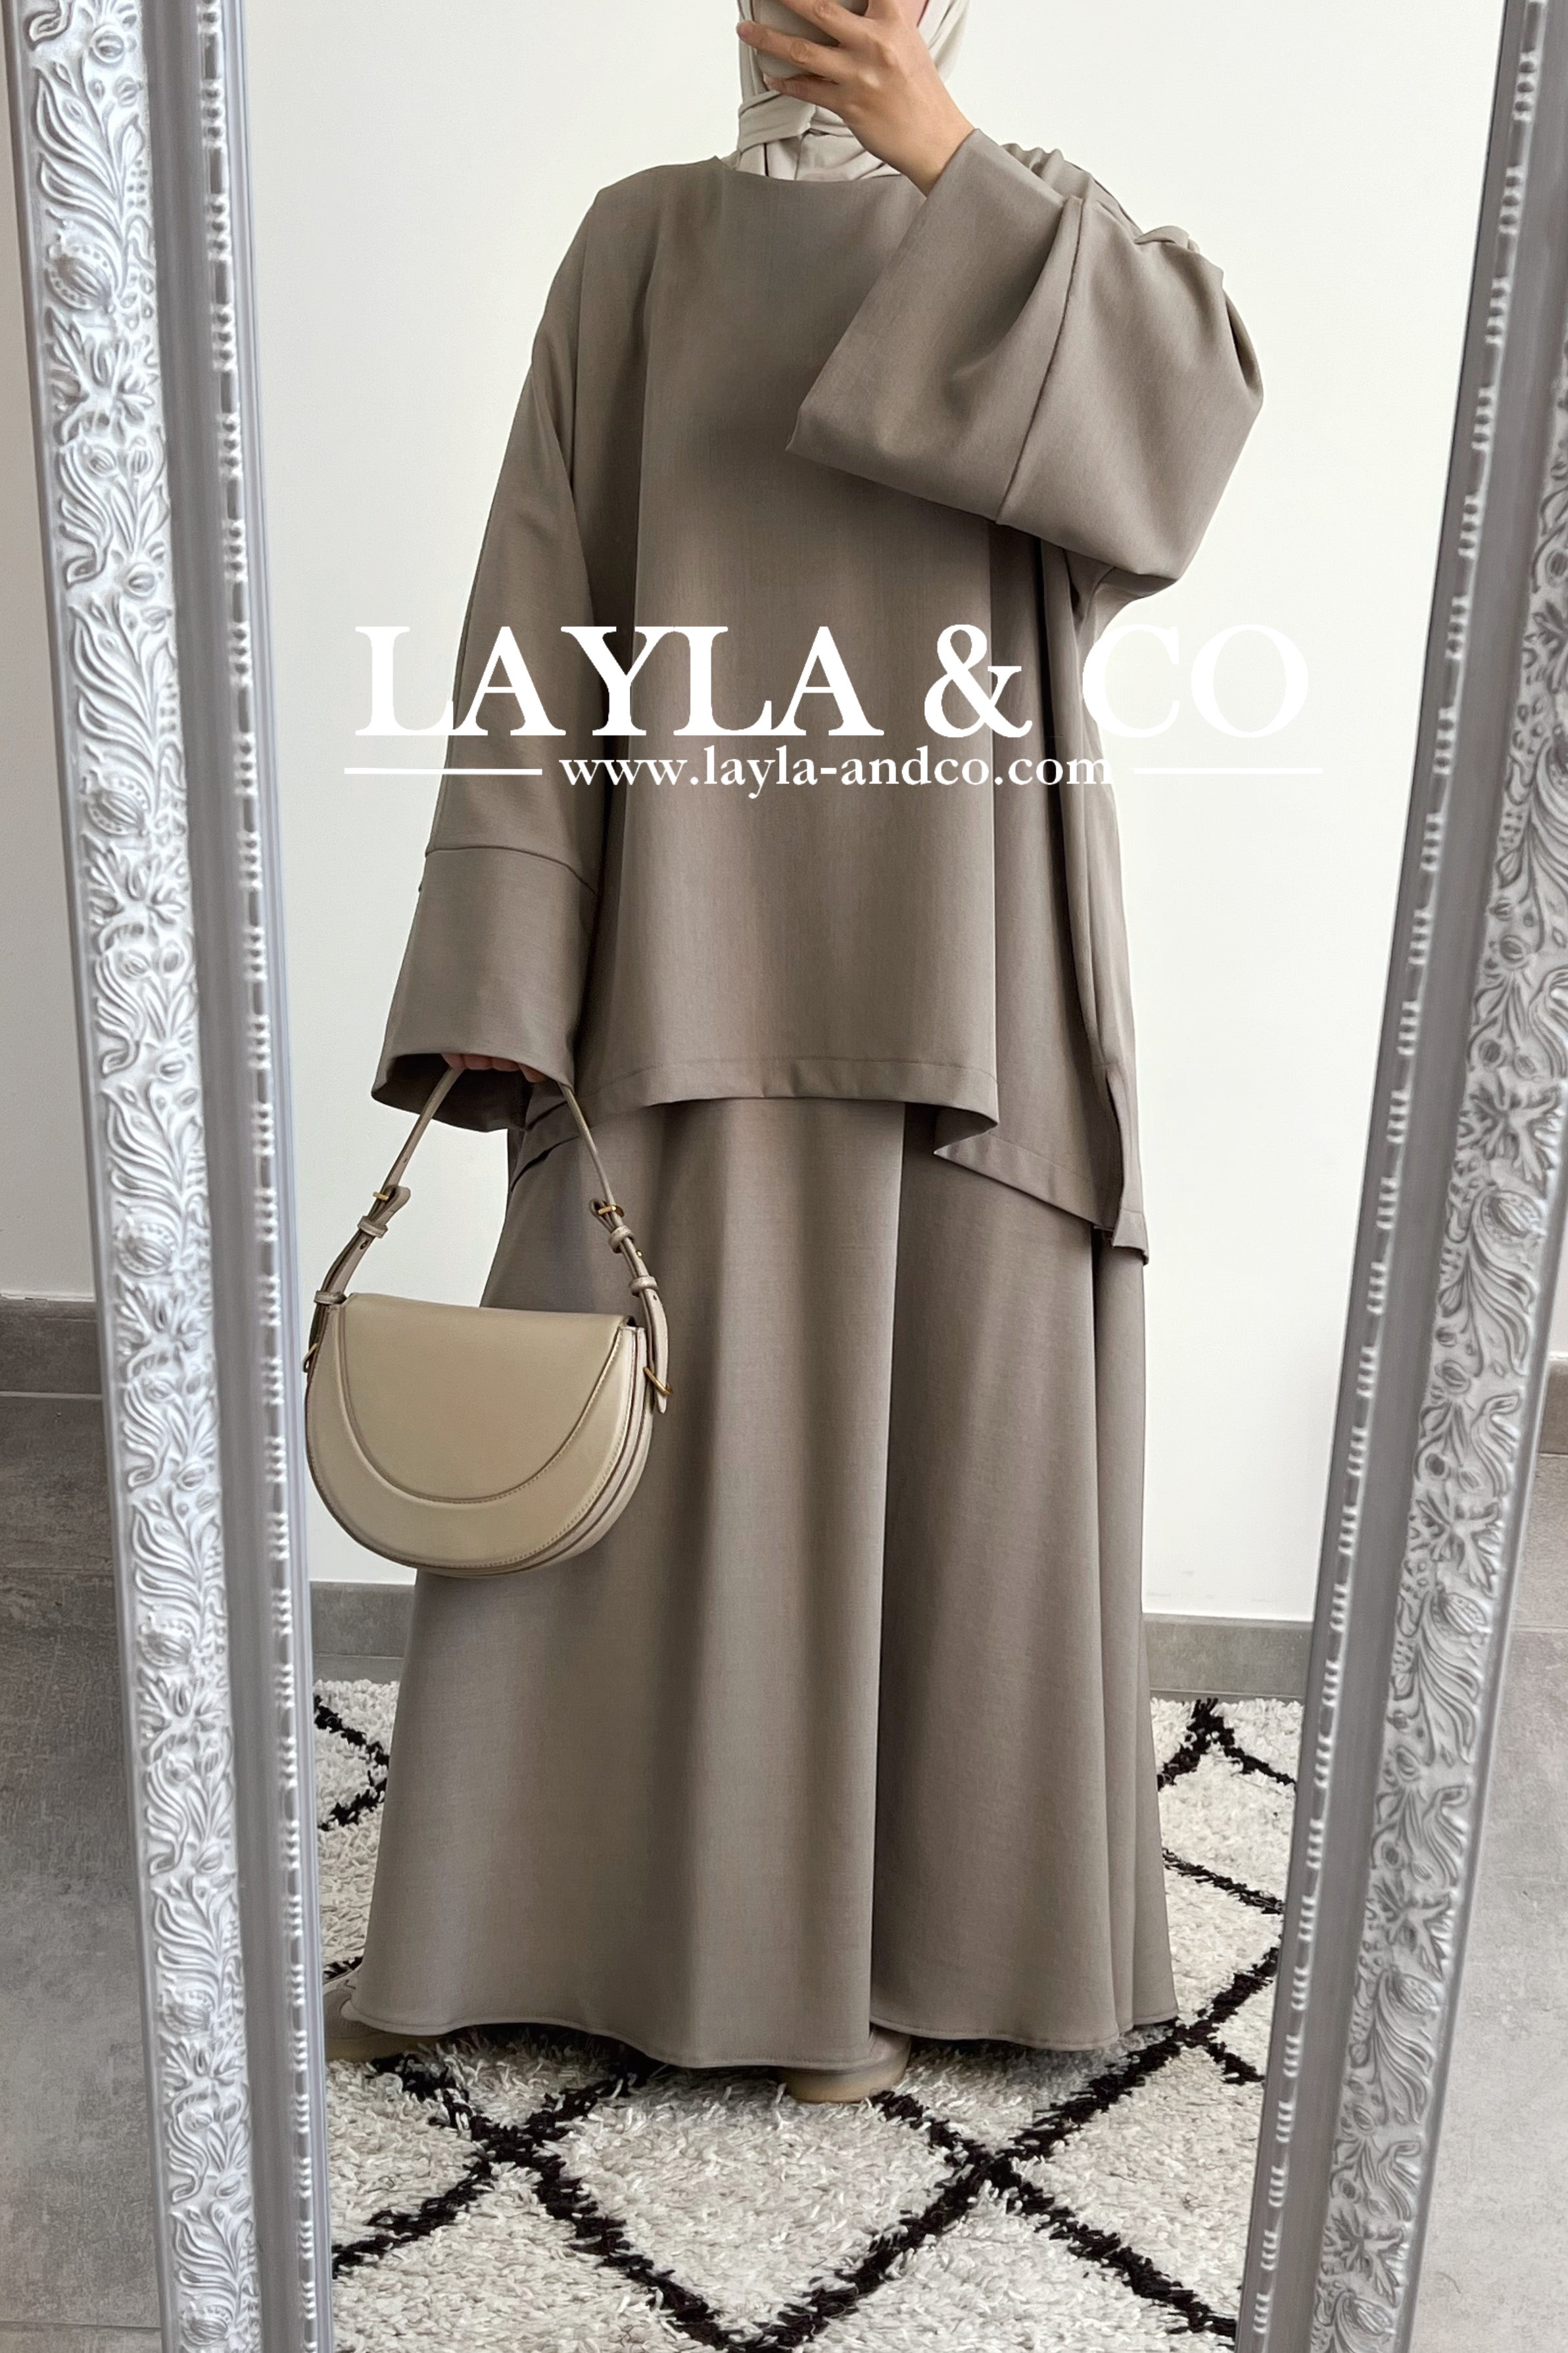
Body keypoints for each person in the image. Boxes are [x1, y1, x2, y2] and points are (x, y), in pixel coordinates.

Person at [326, 0, 1262, 2102]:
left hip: (970, 974)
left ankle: (915, 1953)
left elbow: (1181, 444)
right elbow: (536, 615)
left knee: (958, 1432)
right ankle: (543, 1930)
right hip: (675, 951)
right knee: (601, 1436)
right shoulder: (635, 247)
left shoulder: (1050, 241)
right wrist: (506, 980)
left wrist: (943, 155)